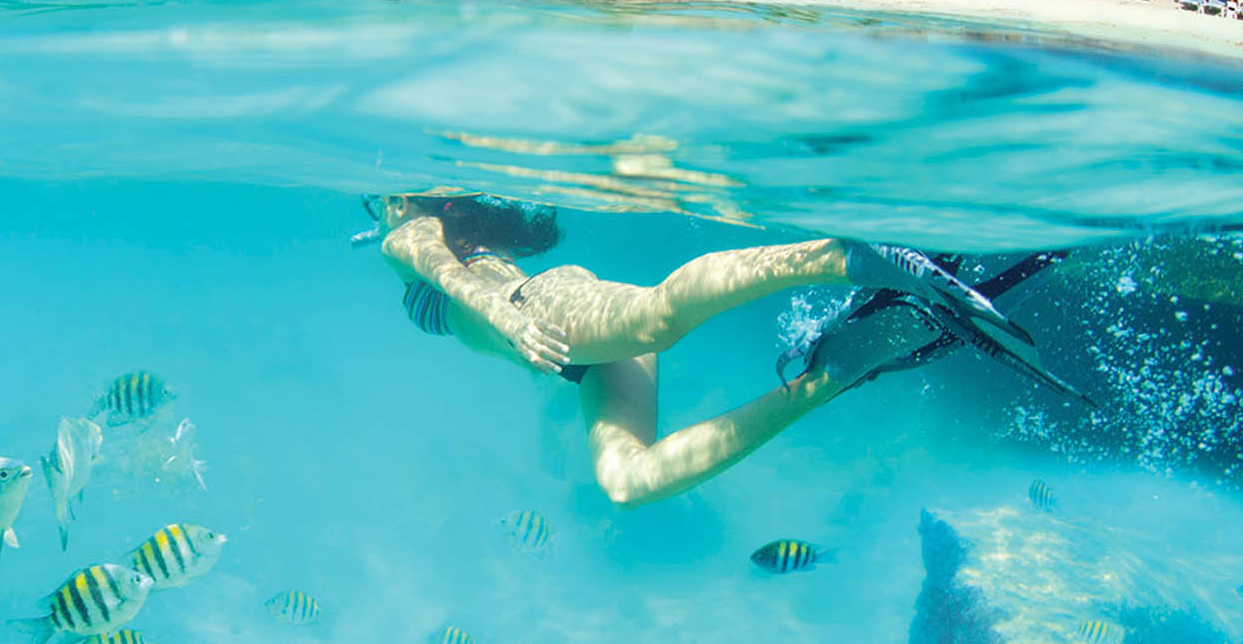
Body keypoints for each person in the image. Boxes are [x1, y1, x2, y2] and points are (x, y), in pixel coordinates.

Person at [359, 192, 1030, 508]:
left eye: (377, 202)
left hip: (543, 312)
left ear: (402, 201)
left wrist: (506, 320)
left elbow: (450, 279)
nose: (375, 212)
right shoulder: (416, 231)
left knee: (656, 318)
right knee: (626, 483)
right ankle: (835, 373)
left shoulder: (405, 236)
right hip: (565, 353)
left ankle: (847, 257)